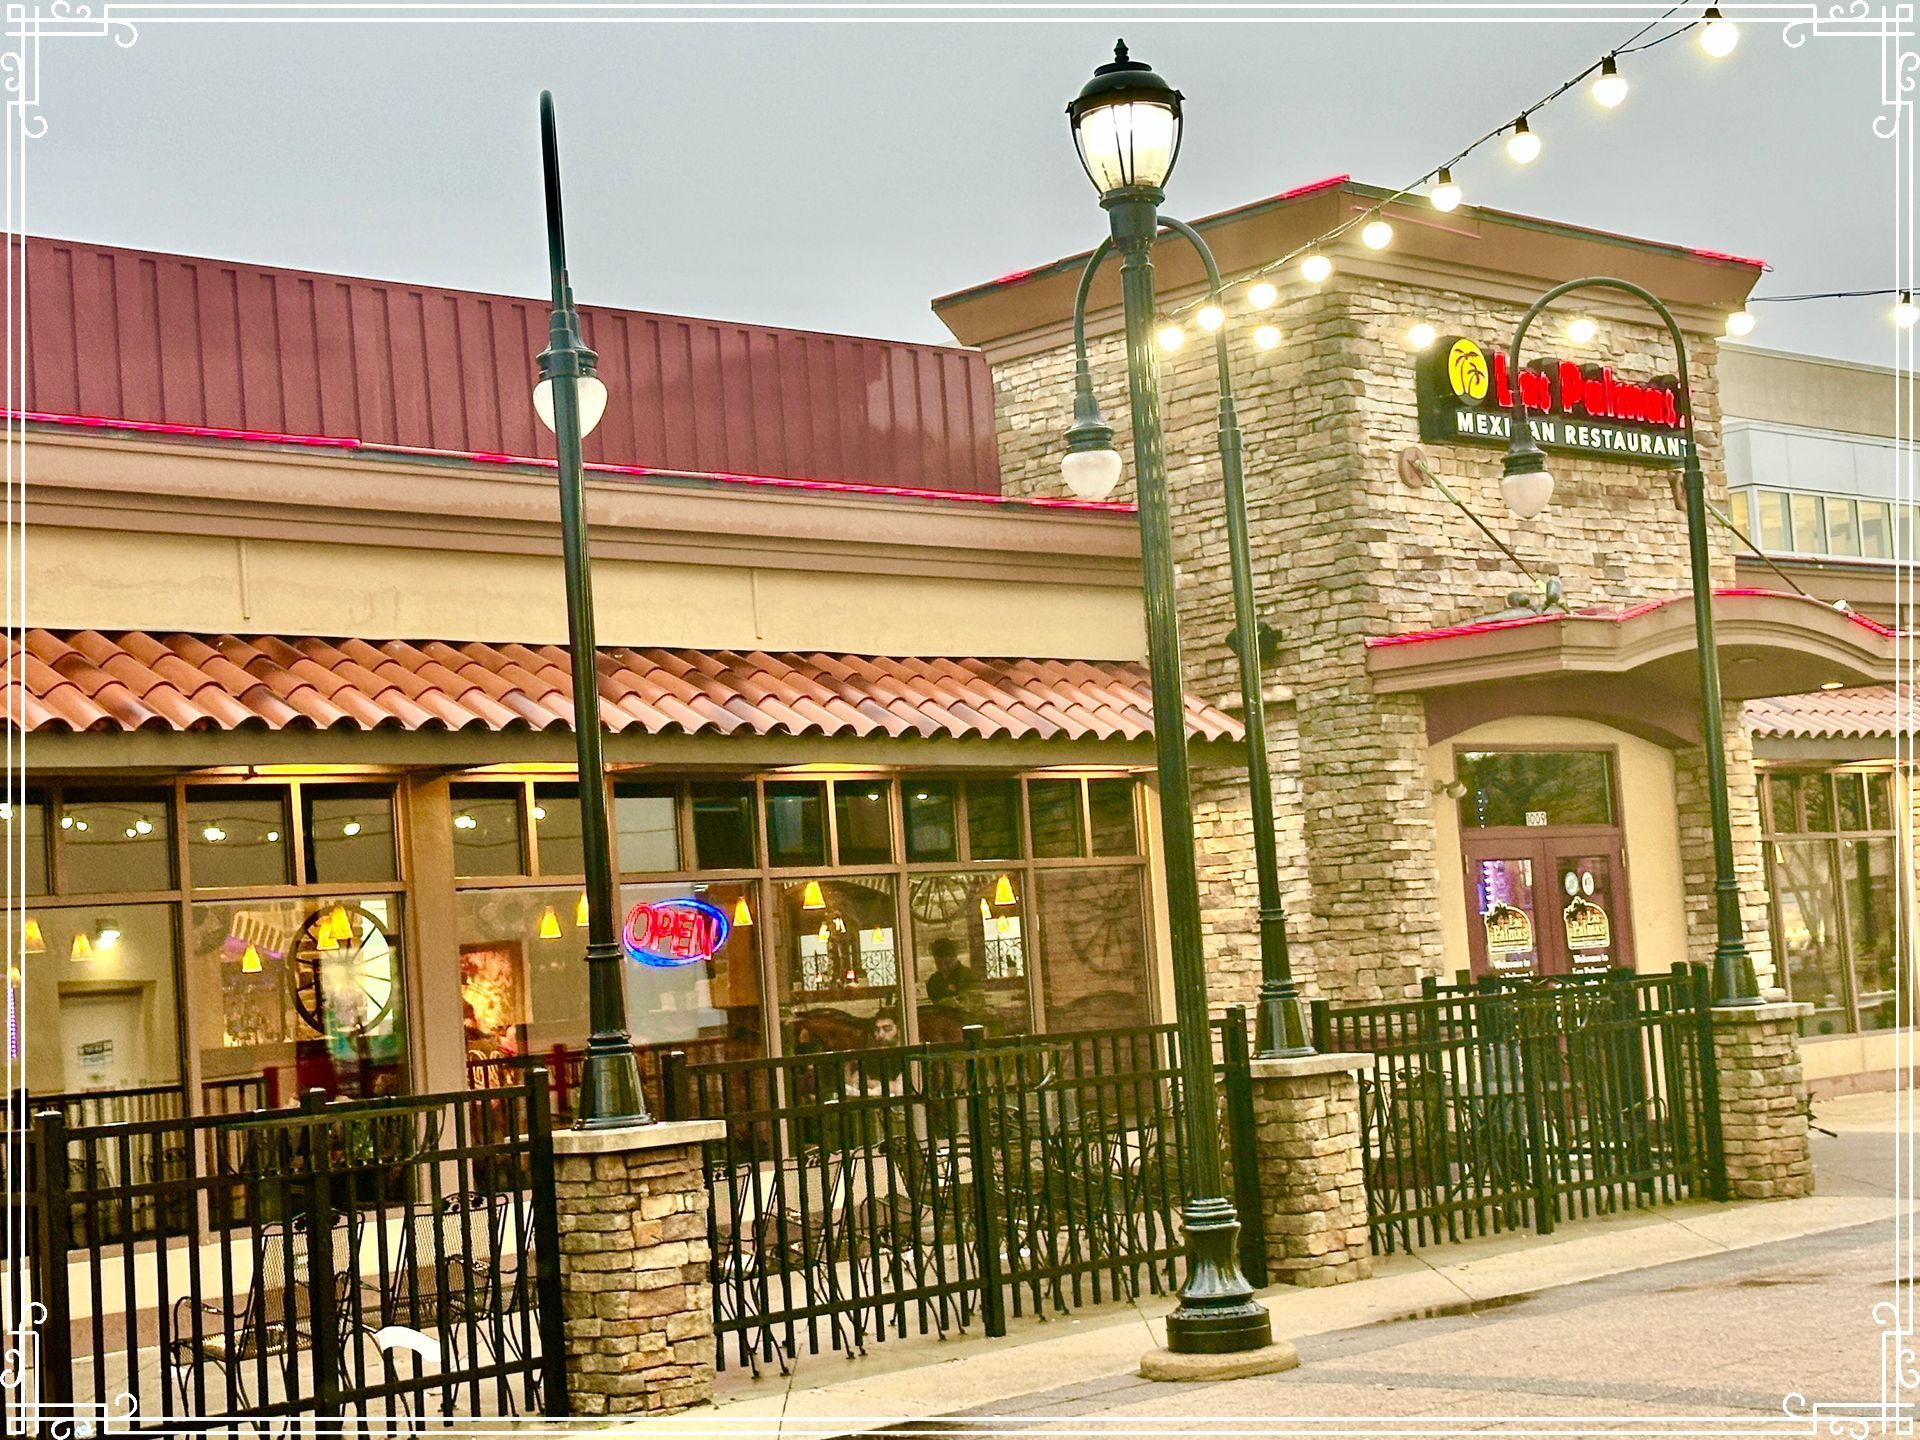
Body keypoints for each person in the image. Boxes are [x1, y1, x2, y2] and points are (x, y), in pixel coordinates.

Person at [923, 938, 982, 1006]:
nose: (942, 967)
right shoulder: (934, 980)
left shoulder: (968, 977)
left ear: (954, 957)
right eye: (938, 963)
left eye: (947, 963)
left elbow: (976, 1003)